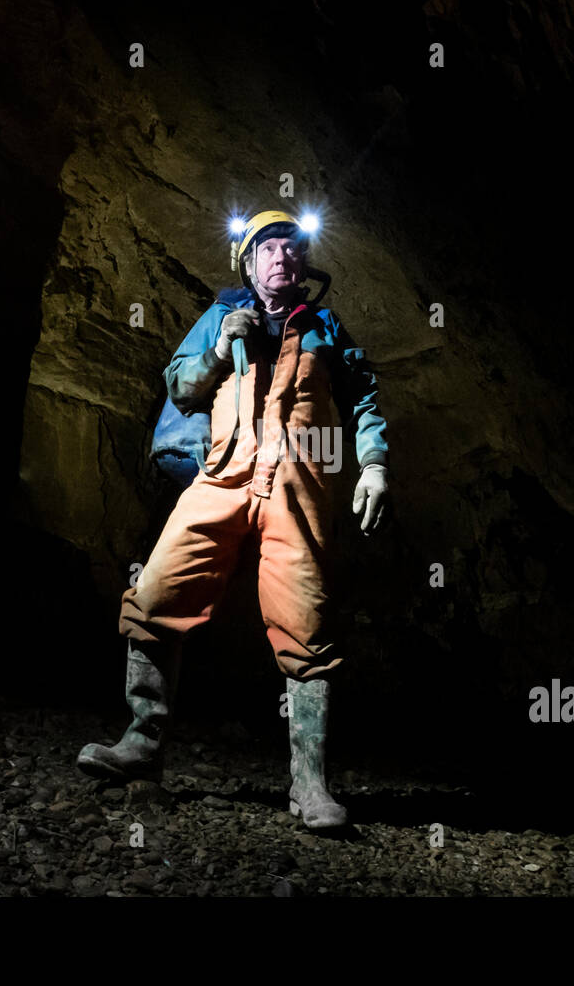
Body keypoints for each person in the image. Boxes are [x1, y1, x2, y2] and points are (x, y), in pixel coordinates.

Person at [77, 210, 390, 829]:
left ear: (303, 265)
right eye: (266, 247)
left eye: (290, 247)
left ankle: (309, 785)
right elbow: (182, 389)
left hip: (298, 487)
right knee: (157, 591)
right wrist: (220, 348)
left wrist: (375, 464)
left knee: (307, 624)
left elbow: (365, 403)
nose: (280, 255)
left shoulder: (326, 326)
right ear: (247, 265)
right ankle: (142, 745)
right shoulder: (220, 317)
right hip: (222, 476)